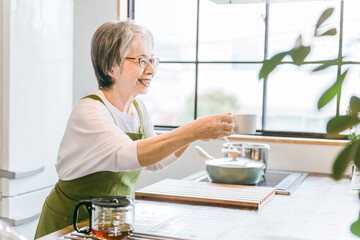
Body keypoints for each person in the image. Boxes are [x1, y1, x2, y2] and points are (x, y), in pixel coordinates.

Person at [35, 20, 233, 239]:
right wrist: (194, 130)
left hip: (111, 223)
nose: (151, 70)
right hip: (71, 224)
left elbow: (157, 161)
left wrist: (195, 135)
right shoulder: (89, 111)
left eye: (152, 60)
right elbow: (130, 155)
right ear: (111, 67)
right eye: (141, 61)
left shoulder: (138, 108)